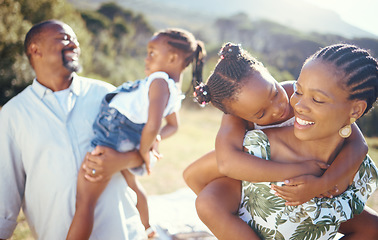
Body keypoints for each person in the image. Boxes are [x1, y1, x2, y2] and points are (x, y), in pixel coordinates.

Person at [184, 43, 378, 239]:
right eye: (261, 113)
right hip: (259, 178)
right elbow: (225, 164)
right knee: (210, 202)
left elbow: (358, 144)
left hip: (310, 188)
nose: (278, 109)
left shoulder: (299, 93)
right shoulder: (241, 125)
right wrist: (301, 170)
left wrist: (323, 182)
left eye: (274, 93)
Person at [0, 20, 148, 240]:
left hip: (122, 231)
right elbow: (6, 188)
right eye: (64, 38)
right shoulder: (14, 113)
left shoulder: (106, 95)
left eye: (75, 40)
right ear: (35, 49)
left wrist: (121, 161)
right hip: (57, 233)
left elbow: (147, 152)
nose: (74, 45)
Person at [66, 28, 206, 239]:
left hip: (112, 136)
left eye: (152, 53)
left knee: (85, 203)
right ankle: (148, 228)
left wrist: (143, 151)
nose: (146, 58)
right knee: (133, 185)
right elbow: (172, 126)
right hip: (127, 139)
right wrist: (154, 140)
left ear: (172, 58)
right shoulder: (175, 90)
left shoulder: (159, 80)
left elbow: (152, 125)